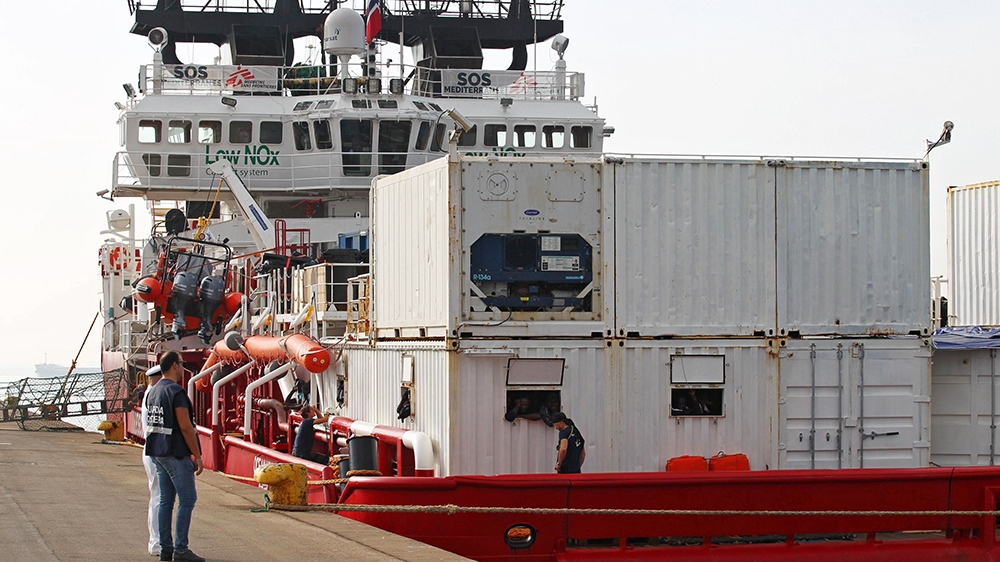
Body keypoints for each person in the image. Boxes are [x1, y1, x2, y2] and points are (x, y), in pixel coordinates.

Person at [144, 351, 205, 562]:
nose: (183, 366)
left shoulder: (153, 391)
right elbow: (186, 427)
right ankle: (181, 549)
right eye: (181, 363)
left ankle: (166, 549)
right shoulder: (176, 393)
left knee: (166, 501)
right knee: (188, 499)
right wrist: (197, 456)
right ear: (174, 366)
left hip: (157, 452)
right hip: (175, 453)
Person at [140, 365, 163, 557]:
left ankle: (156, 541)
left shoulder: (148, 394)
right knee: (158, 498)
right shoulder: (154, 395)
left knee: (156, 496)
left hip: (150, 449)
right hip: (155, 451)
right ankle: (156, 542)